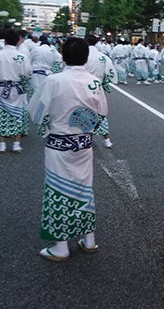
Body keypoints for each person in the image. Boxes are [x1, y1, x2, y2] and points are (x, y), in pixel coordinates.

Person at [27, 37, 108, 261]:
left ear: (63, 56)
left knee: (58, 191)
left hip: (59, 144)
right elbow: (101, 113)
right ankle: (89, 239)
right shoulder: (93, 81)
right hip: (84, 144)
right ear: (86, 57)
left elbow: (36, 112)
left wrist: (47, 130)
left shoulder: (54, 81)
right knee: (84, 188)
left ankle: (61, 246)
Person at [0, 30, 32, 153]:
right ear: (18, 41)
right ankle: (16, 145)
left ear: (5, 41)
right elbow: (27, 75)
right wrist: (24, 89)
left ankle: (1, 145)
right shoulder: (22, 57)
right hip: (16, 88)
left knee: (1, 116)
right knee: (17, 115)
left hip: (1, 87)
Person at [85, 35, 116, 148]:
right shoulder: (103, 57)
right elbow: (109, 74)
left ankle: (84, 136)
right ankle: (107, 140)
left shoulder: (83, 56)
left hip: (81, 88)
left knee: (80, 111)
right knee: (100, 113)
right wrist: (104, 86)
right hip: (98, 88)